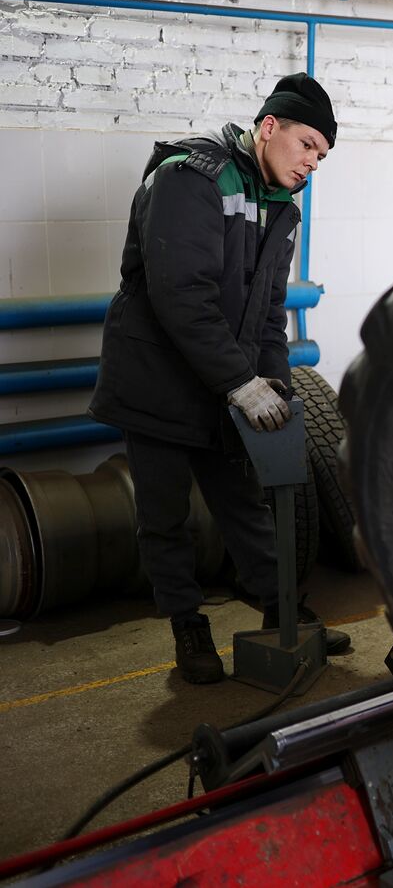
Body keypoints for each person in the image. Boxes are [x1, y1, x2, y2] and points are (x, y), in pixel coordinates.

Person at [90, 73, 350, 684]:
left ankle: (283, 611)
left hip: (219, 381)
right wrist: (241, 383)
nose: (314, 161)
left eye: (323, 154)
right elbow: (181, 295)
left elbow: (266, 315)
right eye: (308, 143)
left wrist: (277, 386)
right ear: (269, 128)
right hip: (156, 379)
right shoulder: (190, 176)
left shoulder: (280, 204)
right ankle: (188, 626)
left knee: (244, 502)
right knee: (164, 515)